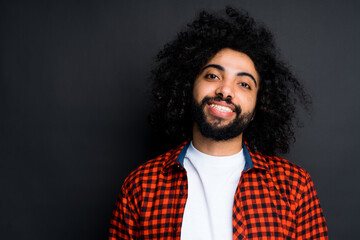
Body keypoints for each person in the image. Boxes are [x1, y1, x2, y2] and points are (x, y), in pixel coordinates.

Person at [109, 7, 328, 240]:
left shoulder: (294, 186)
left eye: (244, 84)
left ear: (258, 108)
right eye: (213, 76)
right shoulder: (141, 185)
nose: (225, 90)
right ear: (188, 88)